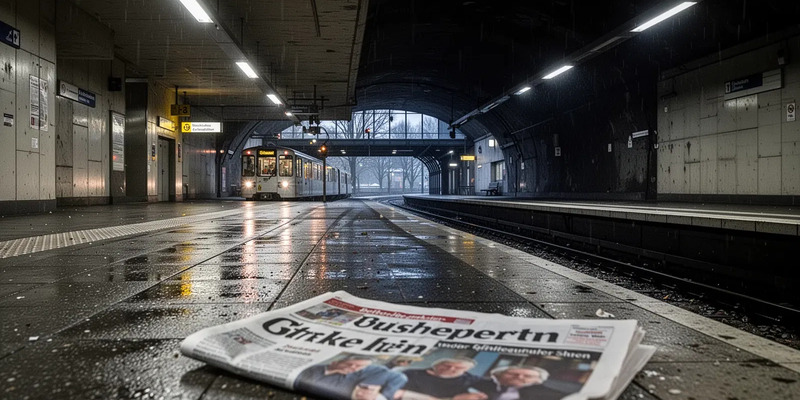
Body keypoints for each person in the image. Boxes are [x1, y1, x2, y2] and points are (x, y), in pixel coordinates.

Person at [295, 355, 407, 400]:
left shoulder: (363, 372)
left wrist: (380, 396)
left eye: (359, 366)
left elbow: (400, 377)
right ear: (335, 362)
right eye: (349, 364)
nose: (353, 368)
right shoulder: (313, 370)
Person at [395, 358, 483, 400]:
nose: (451, 369)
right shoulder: (413, 374)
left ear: (465, 370)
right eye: (446, 365)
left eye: (458, 368)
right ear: (436, 365)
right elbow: (397, 393)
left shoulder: (472, 380)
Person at [468, 366, 565, 400]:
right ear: (497, 375)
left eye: (528, 376)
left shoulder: (553, 395)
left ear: (538, 380)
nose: (519, 377)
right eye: (512, 374)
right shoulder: (479, 384)